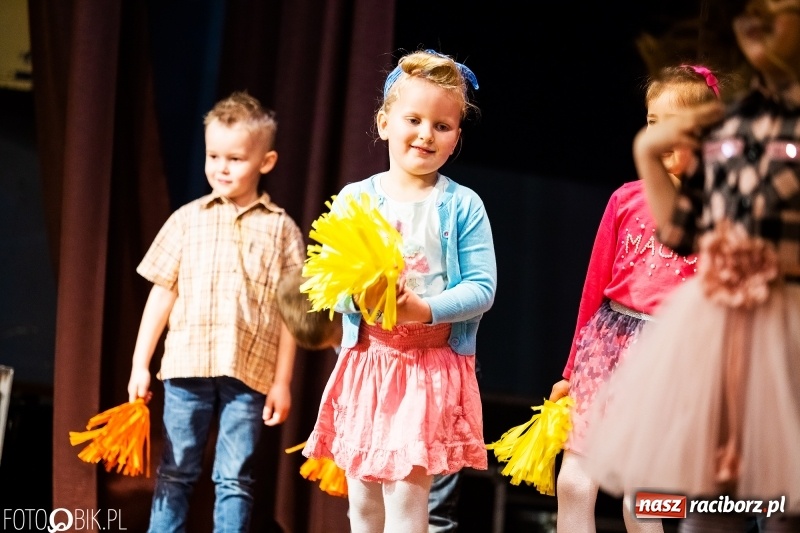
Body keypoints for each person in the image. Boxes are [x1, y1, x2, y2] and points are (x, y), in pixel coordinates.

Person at [582, 1, 800, 531]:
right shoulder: (738, 122)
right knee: (705, 497)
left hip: (780, 320)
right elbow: (682, 233)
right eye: (755, 9)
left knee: (777, 498)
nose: (760, 22)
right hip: (717, 326)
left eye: (782, 9)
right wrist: (650, 147)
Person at [300, 49, 497, 533]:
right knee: (363, 505)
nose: (426, 134)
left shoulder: (462, 205)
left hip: (426, 369)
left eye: (443, 125)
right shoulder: (356, 198)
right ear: (385, 122)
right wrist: (359, 298)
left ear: (456, 137)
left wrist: (423, 309)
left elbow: (482, 288)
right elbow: (325, 279)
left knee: (409, 504)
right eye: (413, 119)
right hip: (369, 362)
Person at [548, 64, 722, 533]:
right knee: (576, 483)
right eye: (651, 122)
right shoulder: (625, 200)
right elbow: (592, 288)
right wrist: (569, 372)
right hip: (607, 348)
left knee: (644, 500)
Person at [126, 91, 306, 533]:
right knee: (175, 469)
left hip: (250, 374)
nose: (221, 167)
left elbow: (292, 314)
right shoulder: (188, 219)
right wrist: (140, 364)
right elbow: (161, 294)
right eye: (213, 155)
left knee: (235, 477)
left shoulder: (282, 229)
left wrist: (282, 382)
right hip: (188, 365)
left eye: (235, 158)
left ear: (265, 162)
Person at [277, 267, 465, 531]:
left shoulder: (378, 313)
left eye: (339, 339)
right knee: (369, 506)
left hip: (430, 386)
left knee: (429, 506)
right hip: (380, 410)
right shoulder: (351, 350)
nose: (339, 346)